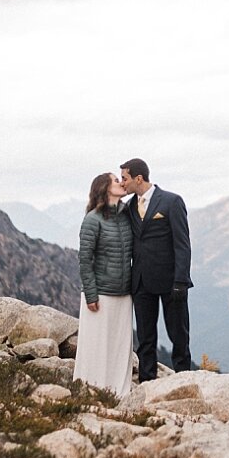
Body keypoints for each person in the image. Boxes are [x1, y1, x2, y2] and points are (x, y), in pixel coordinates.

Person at [119, 158, 194, 380]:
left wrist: (181, 280)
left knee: (178, 335)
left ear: (138, 178)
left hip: (171, 281)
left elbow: (182, 244)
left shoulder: (171, 202)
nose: (122, 183)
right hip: (141, 282)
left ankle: (184, 380)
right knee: (145, 337)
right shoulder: (129, 207)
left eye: (125, 178)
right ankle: (146, 383)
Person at [75, 171, 134, 399]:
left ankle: (120, 395)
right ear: (105, 188)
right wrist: (91, 294)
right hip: (100, 294)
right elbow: (85, 258)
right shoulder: (92, 219)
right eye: (116, 180)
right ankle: (90, 392)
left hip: (124, 293)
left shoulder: (126, 215)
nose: (121, 182)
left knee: (120, 347)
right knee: (96, 346)